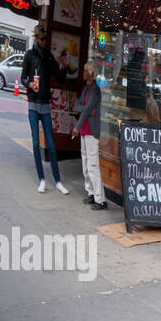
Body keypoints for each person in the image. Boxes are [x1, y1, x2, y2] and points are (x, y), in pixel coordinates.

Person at [21, 24, 69, 195]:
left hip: (46, 106)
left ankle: (57, 181)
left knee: (52, 145)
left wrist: (64, 66)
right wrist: (29, 84)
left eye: (45, 39)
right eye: (42, 39)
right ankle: (42, 179)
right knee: (35, 143)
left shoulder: (48, 56)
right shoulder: (29, 55)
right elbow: (23, 78)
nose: (44, 42)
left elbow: (60, 78)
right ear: (35, 38)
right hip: (33, 105)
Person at [72, 61, 107, 211]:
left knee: (92, 166)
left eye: (86, 71)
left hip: (91, 131)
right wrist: (85, 109)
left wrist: (76, 127)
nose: (84, 73)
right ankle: (91, 193)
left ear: (91, 73)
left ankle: (101, 200)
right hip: (85, 131)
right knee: (86, 165)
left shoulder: (95, 90)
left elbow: (86, 110)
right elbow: (78, 106)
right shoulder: (86, 88)